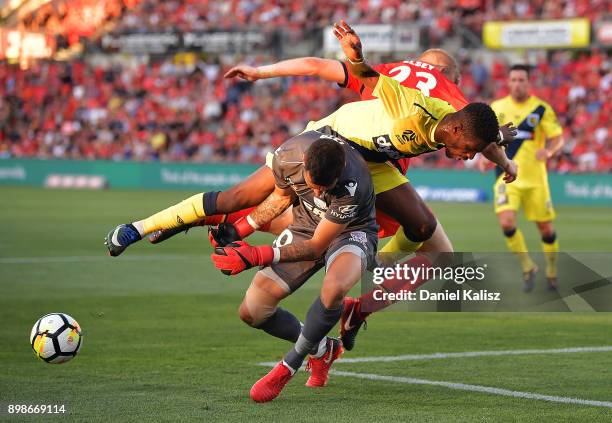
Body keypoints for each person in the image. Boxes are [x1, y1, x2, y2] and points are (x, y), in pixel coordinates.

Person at [105, 22, 516, 260]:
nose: (466, 158)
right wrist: (355, 56)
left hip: (376, 163)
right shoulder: (414, 96)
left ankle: (358, 278)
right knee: (251, 199)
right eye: (468, 151)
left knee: (418, 226)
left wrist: (507, 163)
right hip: (332, 140)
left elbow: (490, 135)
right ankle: (141, 226)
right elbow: (363, 72)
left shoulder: (459, 112)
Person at [210, 131, 379, 402]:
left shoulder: (353, 183)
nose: (317, 192)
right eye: (313, 185)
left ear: (341, 171)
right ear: (303, 161)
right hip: (305, 224)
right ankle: (323, 349)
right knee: (253, 311)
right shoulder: (287, 156)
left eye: (325, 187)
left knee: (334, 287)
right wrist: (242, 230)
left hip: (352, 231)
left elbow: (316, 247)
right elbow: (279, 198)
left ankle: (289, 364)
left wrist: (256, 255)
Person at [485, 64, 564, 291]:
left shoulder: (541, 109)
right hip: (505, 176)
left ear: (529, 83)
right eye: (514, 80)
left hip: (536, 179)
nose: (517, 84)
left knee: (546, 229)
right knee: (507, 222)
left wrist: (549, 151)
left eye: (522, 80)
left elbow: (558, 137)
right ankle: (528, 267)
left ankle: (551, 270)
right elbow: (487, 141)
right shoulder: (497, 108)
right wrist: (483, 158)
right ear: (508, 83)